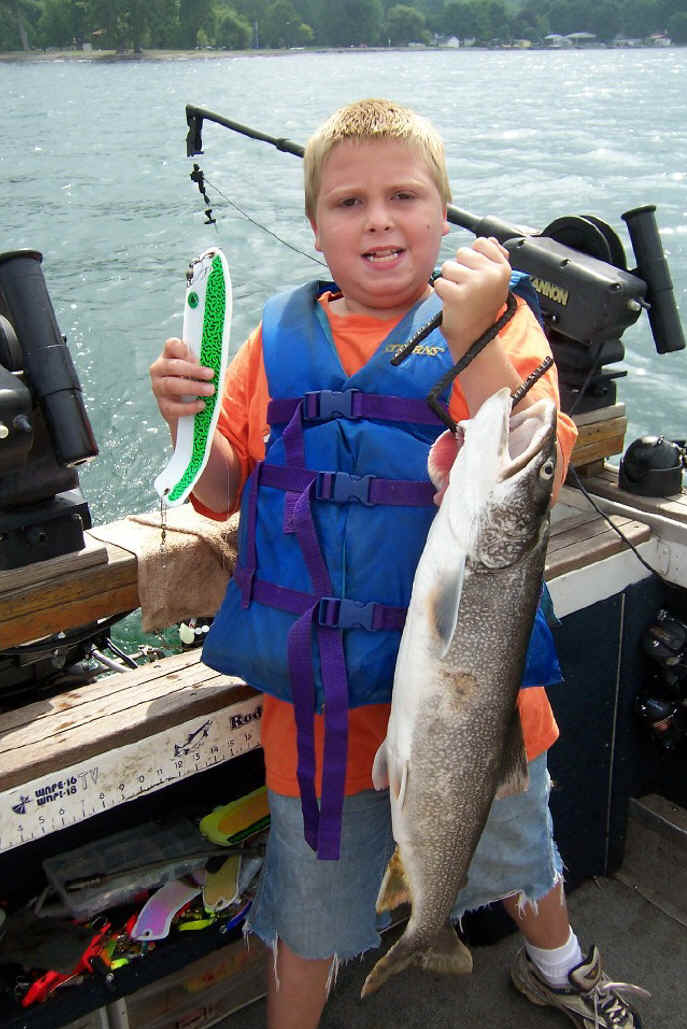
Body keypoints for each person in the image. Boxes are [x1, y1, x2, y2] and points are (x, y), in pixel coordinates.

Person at [150, 98, 645, 1029]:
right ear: (314, 226)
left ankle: (559, 966)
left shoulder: (497, 326)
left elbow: (536, 465)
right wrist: (188, 422)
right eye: (349, 202)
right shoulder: (271, 346)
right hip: (322, 709)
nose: (378, 220)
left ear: (444, 214)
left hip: (479, 696)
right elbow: (221, 489)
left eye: (404, 196)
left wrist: (476, 333)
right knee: (308, 911)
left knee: (518, 854)